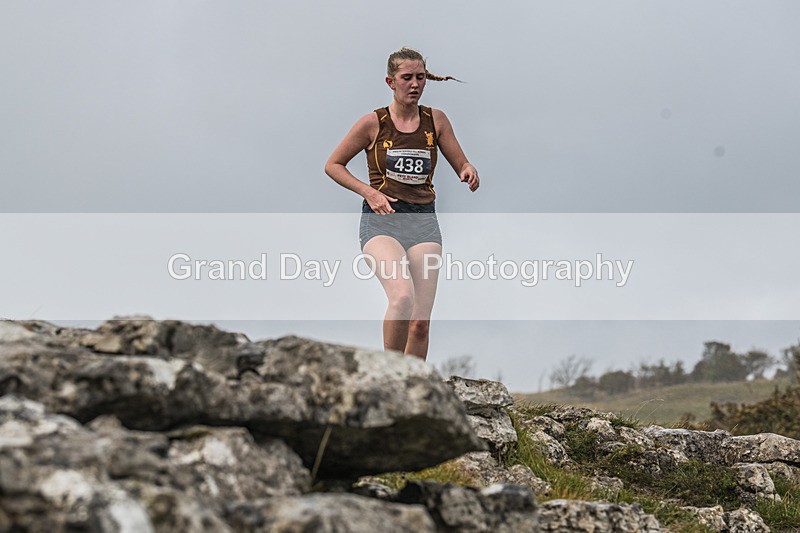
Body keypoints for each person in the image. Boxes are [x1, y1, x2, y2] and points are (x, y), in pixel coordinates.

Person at [324, 47, 479, 361]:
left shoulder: (436, 120)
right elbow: (333, 165)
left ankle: (415, 393)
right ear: (390, 82)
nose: (415, 84)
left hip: (423, 222)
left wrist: (467, 169)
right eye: (407, 77)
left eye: (420, 77)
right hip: (383, 221)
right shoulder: (373, 123)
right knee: (402, 297)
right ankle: (389, 378)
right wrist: (369, 193)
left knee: (420, 324)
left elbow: (461, 163)